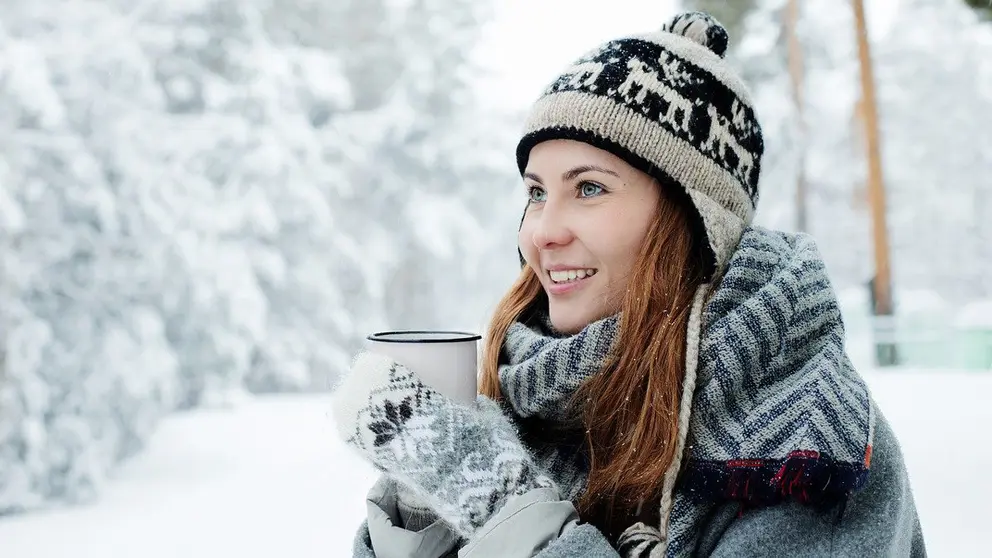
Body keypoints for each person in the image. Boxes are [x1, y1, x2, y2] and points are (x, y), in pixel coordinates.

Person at [332, 11, 926, 558]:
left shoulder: (806, 449)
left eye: (588, 188)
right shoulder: (539, 399)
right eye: (537, 192)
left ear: (693, 220)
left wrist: (499, 507)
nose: (542, 232)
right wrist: (424, 503)